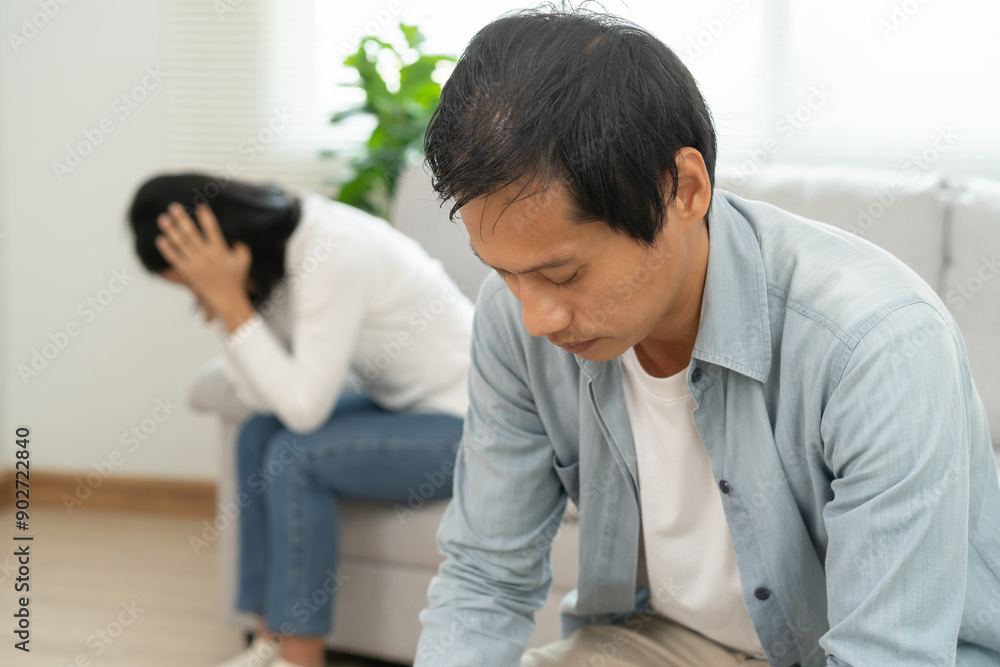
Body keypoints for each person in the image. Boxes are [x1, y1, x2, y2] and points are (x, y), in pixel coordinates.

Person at [413, 8, 1000, 667]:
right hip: (667, 646)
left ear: (684, 190)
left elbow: (887, 654)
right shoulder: (512, 316)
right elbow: (485, 579)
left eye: (563, 274)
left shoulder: (876, 344)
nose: (535, 318)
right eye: (504, 272)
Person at [127, 174, 474, 667]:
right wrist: (222, 303)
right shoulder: (272, 256)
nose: (197, 291)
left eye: (192, 280)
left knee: (297, 457)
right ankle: (267, 643)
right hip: (407, 407)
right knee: (257, 434)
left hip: (472, 423)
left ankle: (300, 659)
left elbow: (305, 411)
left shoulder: (328, 249)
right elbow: (260, 396)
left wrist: (230, 302)